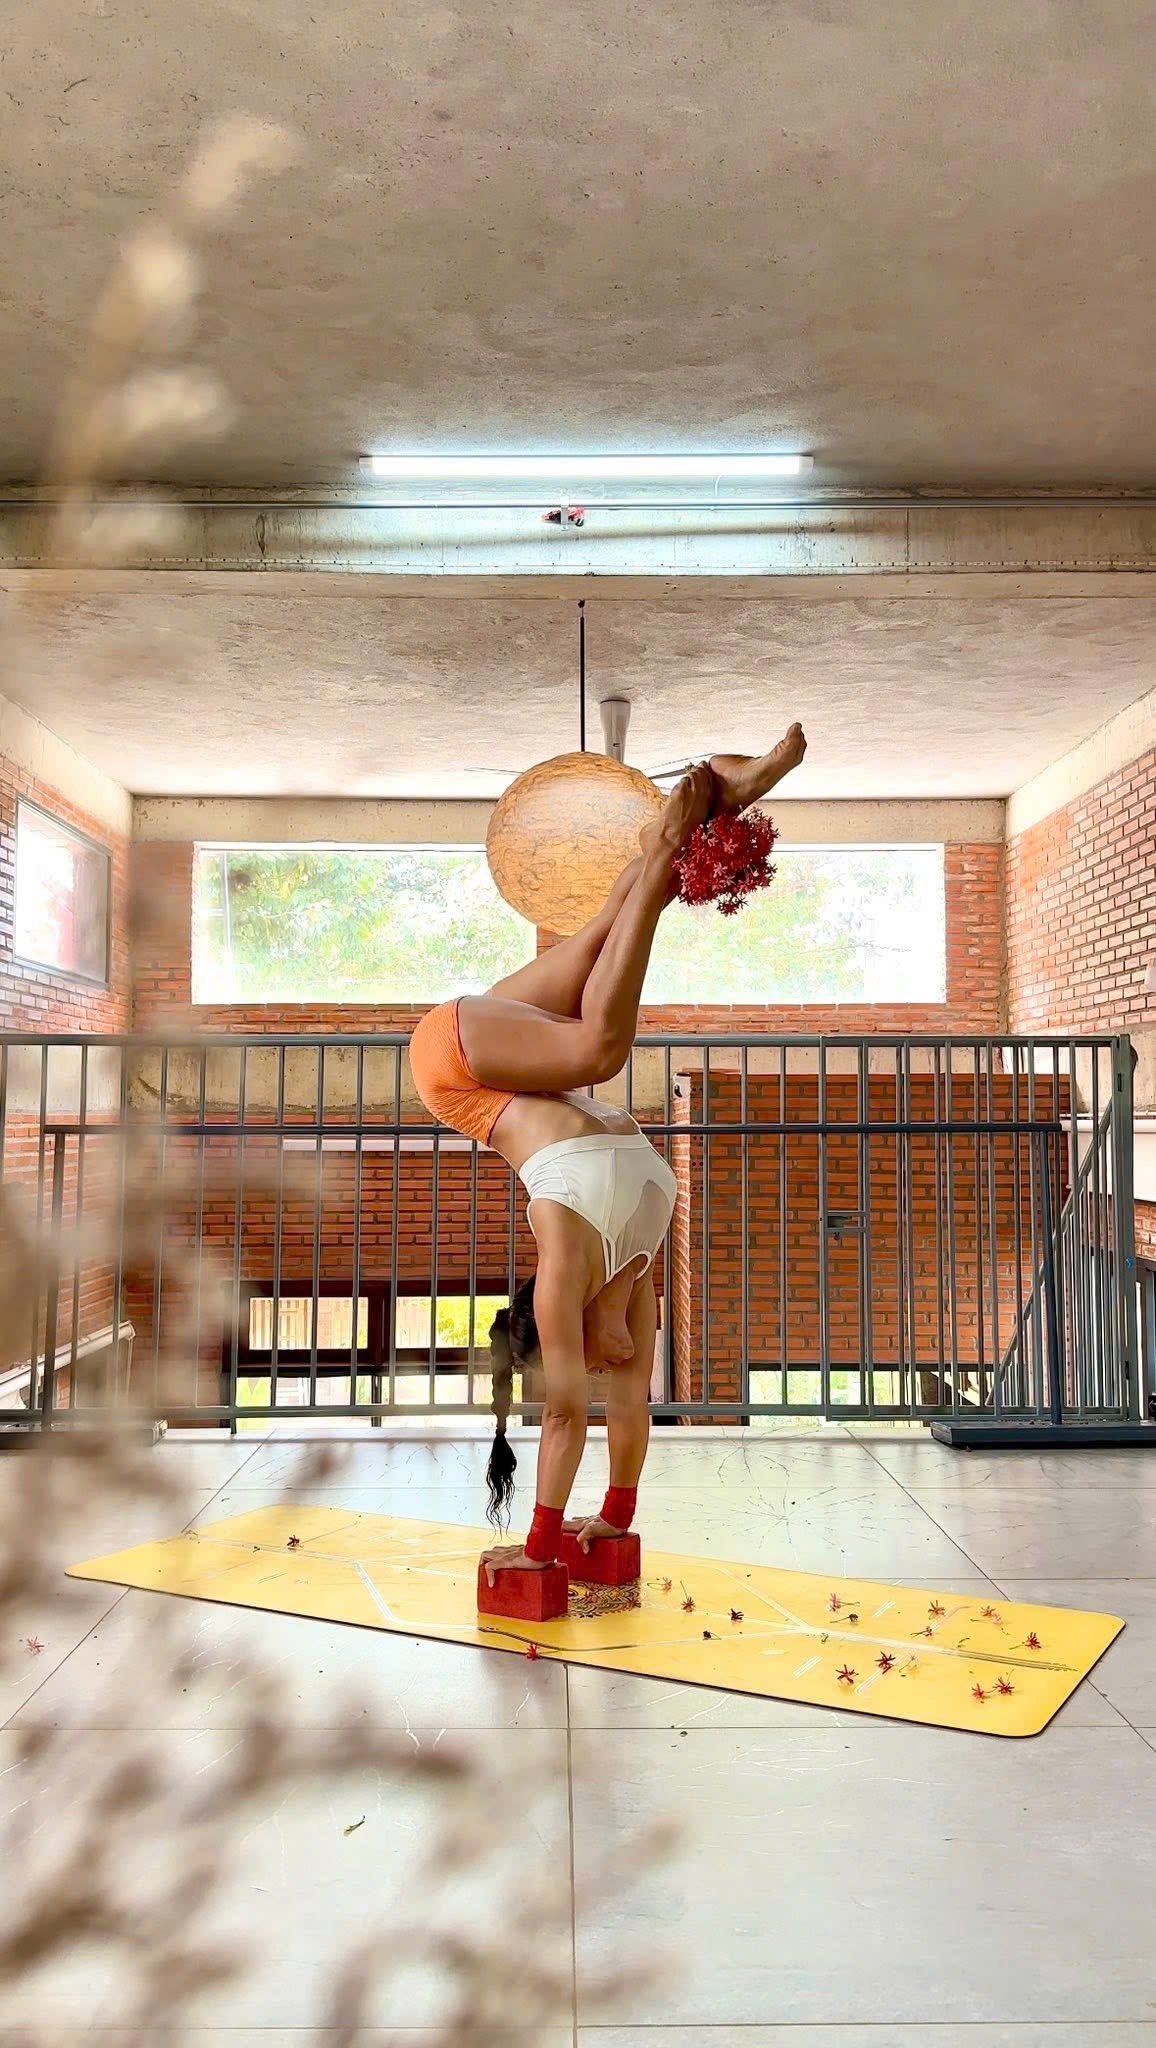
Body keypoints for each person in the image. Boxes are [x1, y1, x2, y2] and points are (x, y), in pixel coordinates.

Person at [407, 724, 807, 1583]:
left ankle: (677, 832)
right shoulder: (634, 1262)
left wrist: (540, 1545)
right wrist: (612, 1517)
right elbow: (631, 1409)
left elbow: (563, 1417)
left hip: (450, 1061)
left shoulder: (564, 1260)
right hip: (501, 1047)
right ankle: (713, 793)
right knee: (615, 919)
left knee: (598, 1051)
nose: (602, 1360)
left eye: (583, 1355)